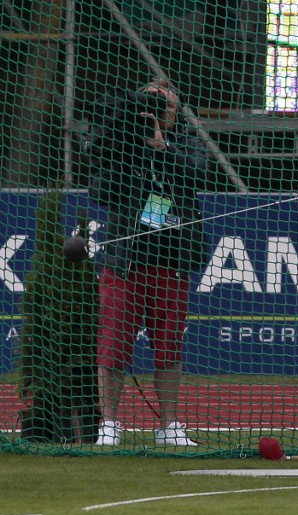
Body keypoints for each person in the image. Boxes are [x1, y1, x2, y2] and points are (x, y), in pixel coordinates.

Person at [87, 78, 209, 446]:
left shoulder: (187, 143)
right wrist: (131, 147)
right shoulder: (121, 142)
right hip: (125, 262)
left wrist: (161, 146)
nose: (160, 113)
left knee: (169, 347)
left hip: (171, 261)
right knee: (113, 345)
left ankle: (169, 425)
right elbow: (99, 189)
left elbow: (198, 173)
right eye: (154, 106)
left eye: (167, 107)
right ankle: (108, 424)